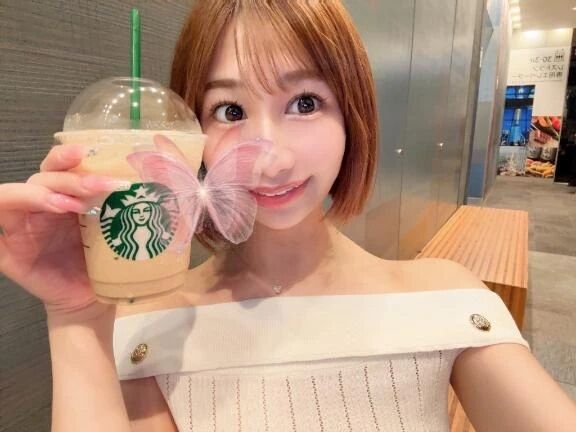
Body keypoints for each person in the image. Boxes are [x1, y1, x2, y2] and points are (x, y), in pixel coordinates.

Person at [1, 1, 575, 431]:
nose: (270, 158)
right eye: (230, 110)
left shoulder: (445, 297)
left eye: (305, 103)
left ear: (352, 115)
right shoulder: (150, 327)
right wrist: (75, 317)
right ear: (192, 136)